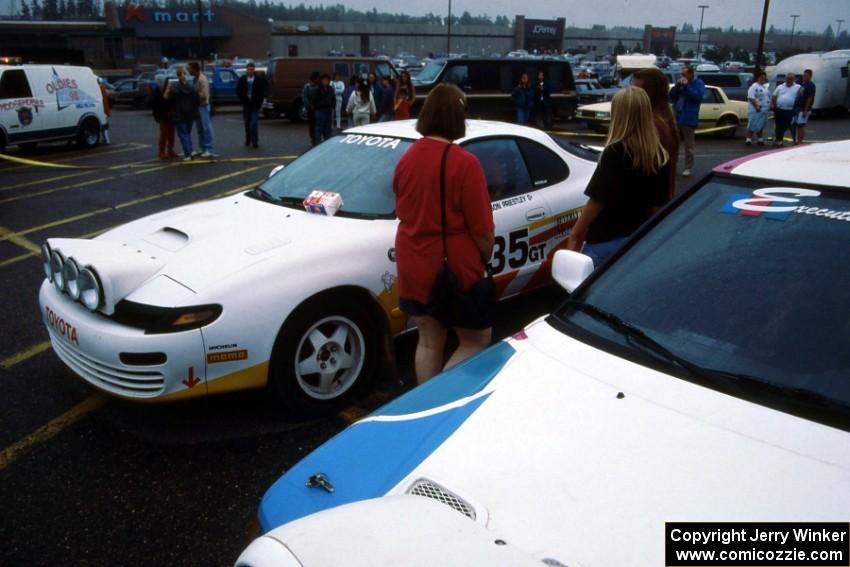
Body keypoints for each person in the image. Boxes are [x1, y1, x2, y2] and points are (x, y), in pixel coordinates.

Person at [393, 83, 495, 384]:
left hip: (413, 260)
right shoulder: (464, 162)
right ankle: (441, 395)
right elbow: (482, 230)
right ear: (457, 117)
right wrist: (483, 259)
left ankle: (425, 406)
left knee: (428, 339)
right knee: (476, 338)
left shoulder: (407, 158)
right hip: (451, 266)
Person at [565, 87, 670, 267]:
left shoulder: (615, 151)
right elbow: (657, 206)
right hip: (637, 239)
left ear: (619, 114)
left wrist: (575, 234)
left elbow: (597, 200)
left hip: (605, 239)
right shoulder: (660, 156)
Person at [632, 67, 678, 199]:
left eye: (636, 90)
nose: (631, 94)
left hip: (649, 204)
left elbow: (648, 173)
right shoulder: (663, 120)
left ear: (651, 93)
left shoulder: (655, 126)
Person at [669, 66, 704, 177]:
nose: (682, 76)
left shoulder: (698, 83)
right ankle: (673, 166)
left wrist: (687, 86)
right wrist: (677, 85)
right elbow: (671, 96)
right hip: (677, 116)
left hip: (688, 118)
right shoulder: (680, 84)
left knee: (689, 146)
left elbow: (698, 97)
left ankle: (688, 167)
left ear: (690, 74)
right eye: (681, 74)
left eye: (684, 74)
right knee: (674, 144)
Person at [168, 68, 200, 161]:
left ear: (177, 75)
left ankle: (188, 154)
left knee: (183, 134)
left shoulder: (174, 87)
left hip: (179, 113)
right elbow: (197, 101)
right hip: (190, 113)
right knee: (187, 133)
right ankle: (190, 152)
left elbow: (170, 101)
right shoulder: (191, 87)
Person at [236, 62, 267, 148]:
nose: (250, 71)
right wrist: (243, 100)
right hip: (246, 104)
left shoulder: (259, 79)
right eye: (249, 70)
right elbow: (239, 91)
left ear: (254, 70)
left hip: (255, 105)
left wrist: (260, 102)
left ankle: (255, 141)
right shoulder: (242, 79)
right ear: (247, 70)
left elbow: (263, 91)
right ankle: (248, 138)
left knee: (254, 123)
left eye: (252, 70)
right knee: (247, 123)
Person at [188, 61, 215, 157]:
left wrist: (194, 96)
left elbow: (203, 95)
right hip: (198, 105)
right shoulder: (196, 78)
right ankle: (203, 147)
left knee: (206, 127)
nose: (188, 70)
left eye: (189, 68)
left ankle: (209, 149)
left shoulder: (201, 79)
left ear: (195, 69)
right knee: (200, 128)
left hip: (203, 105)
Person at [771, 72, 800, 147]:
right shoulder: (780, 87)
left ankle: (795, 140)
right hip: (780, 109)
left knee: (791, 126)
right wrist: (774, 106)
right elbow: (774, 96)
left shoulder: (798, 87)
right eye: (787, 78)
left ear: (793, 79)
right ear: (785, 79)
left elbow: (802, 97)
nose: (788, 80)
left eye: (790, 79)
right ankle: (779, 141)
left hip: (791, 110)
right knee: (779, 126)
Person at [151, 75, 177, 159]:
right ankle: (161, 151)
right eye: (165, 81)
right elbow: (156, 106)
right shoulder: (157, 92)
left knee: (171, 134)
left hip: (170, 115)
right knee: (164, 134)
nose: (166, 83)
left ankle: (170, 150)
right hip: (163, 116)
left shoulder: (168, 90)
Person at [745, 70, 771, 147]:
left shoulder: (765, 87)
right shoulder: (754, 87)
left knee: (761, 124)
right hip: (755, 109)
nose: (763, 79)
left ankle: (760, 139)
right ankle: (748, 139)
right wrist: (756, 106)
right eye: (762, 78)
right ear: (758, 78)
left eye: (764, 78)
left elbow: (768, 97)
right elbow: (751, 97)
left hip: (764, 109)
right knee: (752, 124)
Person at [791, 69, 816, 145]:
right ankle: (796, 140)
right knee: (795, 124)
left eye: (806, 76)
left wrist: (806, 110)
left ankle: (800, 141)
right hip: (797, 107)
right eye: (804, 75)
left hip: (804, 108)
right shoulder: (802, 84)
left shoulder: (811, 85)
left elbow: (809, 98)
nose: (804, 77)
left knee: (801, 125)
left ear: (810, 76)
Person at [313, 74, 335, 143]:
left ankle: (327, 142)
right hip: (320, 110)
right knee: (319, 127)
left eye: (327, 80)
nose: (325, 81)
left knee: (328, 128)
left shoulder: (331, 89)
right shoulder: (317, 89)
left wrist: (333, 106)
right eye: (324, 80)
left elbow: (333, 99)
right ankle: (318, 142)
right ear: (321, 81)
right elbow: (314, 100)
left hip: (329, 110)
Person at [303, 71, 320, 145]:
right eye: (317, 78)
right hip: (310, 108)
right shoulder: (307, 86)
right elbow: (305, 97)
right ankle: (312, 138)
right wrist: (310, 105)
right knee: (312, 124)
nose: (318, 79)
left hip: (318, 107)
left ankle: (317, 137)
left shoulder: (319, 86)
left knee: (318, 123)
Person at [97, 78, 111, 145]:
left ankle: (106, 140)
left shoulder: (99, 88)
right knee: (104, 125)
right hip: (104, 109)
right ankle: (106, 140)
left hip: (101, 109)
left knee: (103, 126)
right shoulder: (103, 88)